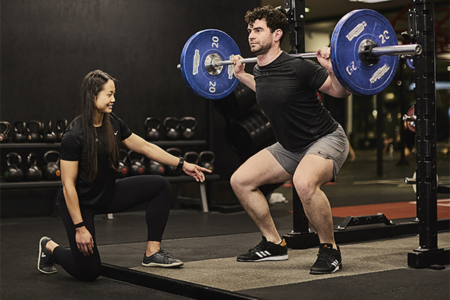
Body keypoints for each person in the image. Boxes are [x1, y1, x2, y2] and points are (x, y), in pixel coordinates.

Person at [37, 70, 211, 281]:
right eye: (109, 94)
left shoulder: (113, 123)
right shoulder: (73, 135)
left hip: (107, 194)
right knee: (89, 272)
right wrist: (80, 227)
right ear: (93, 95)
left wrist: (182, 164)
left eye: (114, 94)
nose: (113, 99)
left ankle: (152, 253)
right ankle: (49, 247)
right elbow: (68, 186)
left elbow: (146, 147)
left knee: (160, 185)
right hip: (80, 203)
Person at [229, 6, 351, 274]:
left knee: (304, 183)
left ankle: (330, 249)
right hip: (290, 146)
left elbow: (339, 92)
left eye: (258, 30)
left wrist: (332, 70)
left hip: (326, 138)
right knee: (240, 181)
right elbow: (266, 88)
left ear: (276, 35)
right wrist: (240, 76)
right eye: (250, 30)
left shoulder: (298, 67)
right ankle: (274, 243)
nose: (251, 35)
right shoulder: (260, 69)